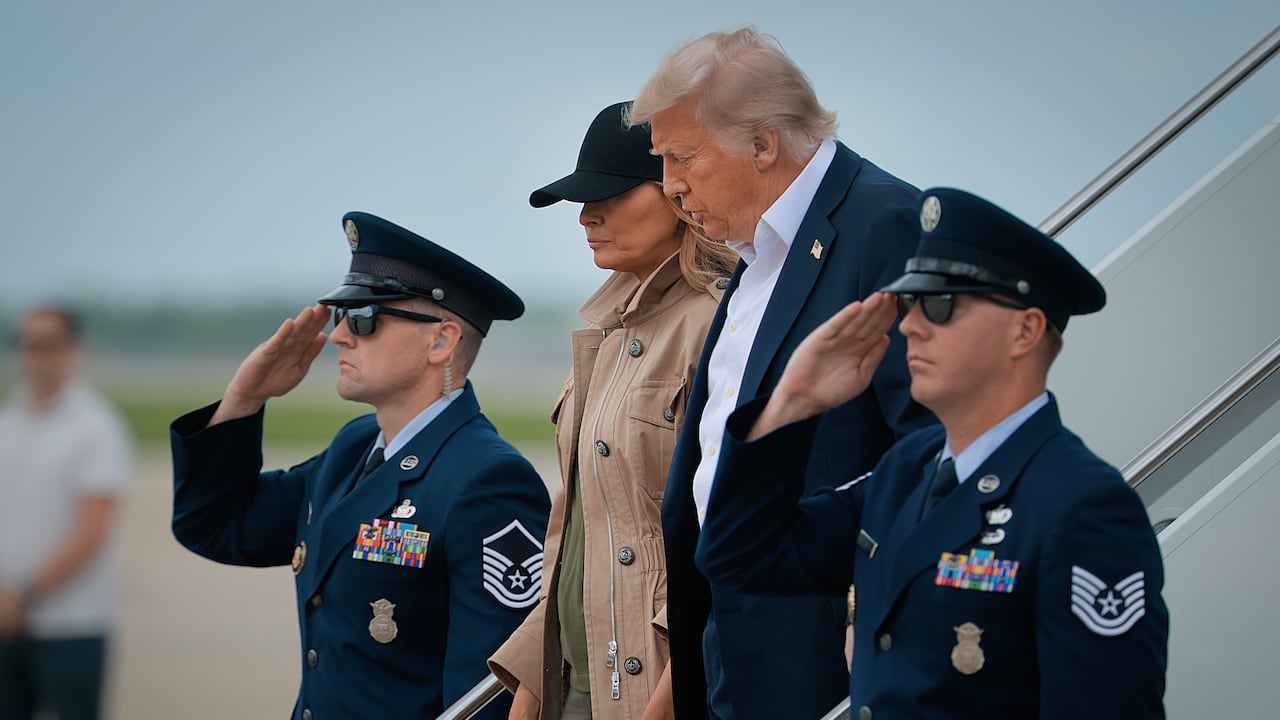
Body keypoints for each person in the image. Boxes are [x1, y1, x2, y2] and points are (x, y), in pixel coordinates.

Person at [696, 188, 1170, 718]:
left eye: (939, 305)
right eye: (908, 302)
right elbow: (739, 557)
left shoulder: (1082, 506)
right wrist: (791, 402)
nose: (910, 326)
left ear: (1025, 330)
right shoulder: (908, 470)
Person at [626, 27, 936, 719]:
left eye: (682, 157)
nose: (670, 186)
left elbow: (934, 448)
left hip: (828, 645)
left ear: (763, 143)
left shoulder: (882, 224)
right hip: (730, 632)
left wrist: (881, 610)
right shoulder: (759, 249)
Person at [169, 213, 552, 720]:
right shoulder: (356, 449)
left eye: (364, 317)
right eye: (339, 317)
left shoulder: (487, 481)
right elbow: (216, 525)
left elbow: (485, 695)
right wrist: (246, 397)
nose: (339, 337)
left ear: (441, 341)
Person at [488, 101, 736, 720]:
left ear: (681, 192)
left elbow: (722, 542)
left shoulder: (721, 325)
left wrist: (665, 700)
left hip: (654, 686)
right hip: (577, 680)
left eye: (614, 193)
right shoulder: (607, 329)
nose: (585, 216)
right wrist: (532, 687)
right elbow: (578, 539)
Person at [0, 305, 133, 720]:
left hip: (71, 622)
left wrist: (24, 595)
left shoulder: (95, 427)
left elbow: (91, 531)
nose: (36, 355)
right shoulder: (9, 421)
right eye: (28, 344)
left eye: (48, 344)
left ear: (75, 348)